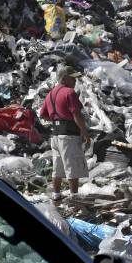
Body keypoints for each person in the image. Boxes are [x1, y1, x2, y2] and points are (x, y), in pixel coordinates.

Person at [38, 66, 90, 197]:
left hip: (55, 135)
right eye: (73, 78)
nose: (75, 81)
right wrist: (85, 133)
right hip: (69, 135)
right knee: (72, 166)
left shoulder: (50, 94)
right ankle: (74, 196)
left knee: (58, 167)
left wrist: (56, 120)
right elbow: (76, 114)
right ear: (65, 78)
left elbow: (42, 114)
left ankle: (56, 194)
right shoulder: (69, 92)